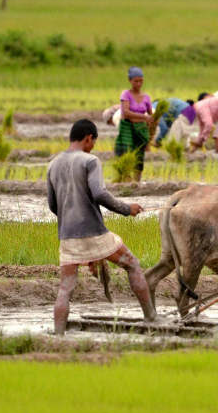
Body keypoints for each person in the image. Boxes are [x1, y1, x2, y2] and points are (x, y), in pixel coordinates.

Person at [47, 119, 157, 335]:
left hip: (67, 236)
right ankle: (151, 318)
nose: (93, 146)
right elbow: (99, 193)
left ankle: (58, 335)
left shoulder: (53, 164)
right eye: (93, 142)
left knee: (65, 288)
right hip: (94, 232)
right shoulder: (90, 161)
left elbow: (52, 205)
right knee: (132, 264)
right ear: (89, 138)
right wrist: (127, 209)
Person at [114, 67, 153, 181]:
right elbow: (126, 113)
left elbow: (151, 116)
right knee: (126, 152)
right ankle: (126, 180)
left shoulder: (146, 97)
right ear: (130, 80)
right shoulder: (126, 94)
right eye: (136, 81)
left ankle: (136, 183)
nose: (139, 84)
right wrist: (144, 117)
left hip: (141, 129)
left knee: (139, 156)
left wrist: (150, 131)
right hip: (127, 127)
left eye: (141, 81)